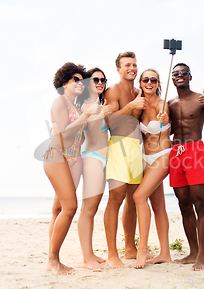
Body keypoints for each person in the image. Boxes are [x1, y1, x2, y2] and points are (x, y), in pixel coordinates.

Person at [166, 63, 204, 271]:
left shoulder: (200, 100)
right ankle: (192, 251)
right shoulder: (169, 104)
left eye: (184, 73)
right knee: (183, 204)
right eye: (176, 73)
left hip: (195, 151)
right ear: (172, 78)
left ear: (190, 77)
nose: (180, 75)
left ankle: (201, 255)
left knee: (199, 202)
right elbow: (165, 131)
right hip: (176, 153)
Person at [43, 63, 102, 275]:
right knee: (70, 208)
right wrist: (85, 116)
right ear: (64, 82)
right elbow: (65, 135)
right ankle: (53, 260)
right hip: (57, 157)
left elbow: (78, 134)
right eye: (75, 79)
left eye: (82, 80)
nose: (80, 83)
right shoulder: (60, 101)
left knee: (58, 210)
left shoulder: (76, 106)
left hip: (73, 158)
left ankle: (53, 258)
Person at [103, 51, 147, 268]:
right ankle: (112, 254)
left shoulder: (139, 92)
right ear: (119, 69)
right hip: (118, 145)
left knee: (133, 198)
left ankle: (130, 247)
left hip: (135, 149)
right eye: (127, 65)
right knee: (116, 198)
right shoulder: (113, 90)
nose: (132, 68)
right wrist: (130, 106)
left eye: (135, 64)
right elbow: (110, 121)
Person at [132, 69, 172, 268]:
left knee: (139, 197)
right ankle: (165, 253)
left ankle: (143, 250)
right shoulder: (139, 104)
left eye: (153, 80)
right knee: (158, 207)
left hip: (162, 156)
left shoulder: (163, 103)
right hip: (145, 158)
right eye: (146, 79)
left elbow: (168, 124)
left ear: (158, 83)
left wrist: (165, 121)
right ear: (140, 82)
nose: (149, 82)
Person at [75, 68, 112, 270]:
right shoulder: (88, 106)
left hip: (104, 159)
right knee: (88, 210)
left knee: (93, 208)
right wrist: (101, 114)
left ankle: (90, 254)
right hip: (92, 158)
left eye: (103, 79)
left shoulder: (99, 104)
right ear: (88, 83)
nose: (100, 82)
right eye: (95, 79)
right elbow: (87, 126)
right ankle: (86, 258)